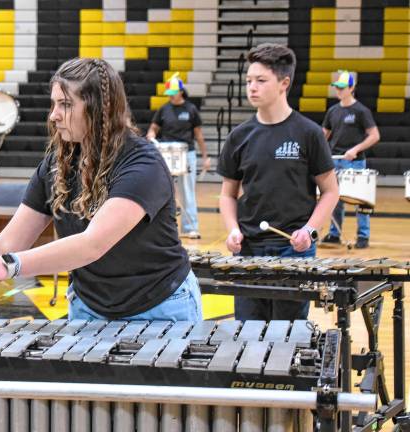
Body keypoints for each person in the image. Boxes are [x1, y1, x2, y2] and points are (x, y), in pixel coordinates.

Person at [0, 57, 202, 323]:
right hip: (90, 308)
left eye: (66, 104)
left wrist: (10, 266)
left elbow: (91, 244)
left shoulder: (141, 163)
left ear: (98, 109)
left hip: (160, 307)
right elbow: (6, 242)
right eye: (54, 104)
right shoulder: (57, 166)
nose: (53, 115)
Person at [218, 43, 339, 321]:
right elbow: (227, 195)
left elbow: (330, 191)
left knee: (289, 335)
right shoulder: (239, 136)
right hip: (249, 250)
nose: (252, 87)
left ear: (284, 83)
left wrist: (309, 230)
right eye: (249, 80)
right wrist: (233, 230)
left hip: (293, 248)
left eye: (261, 80)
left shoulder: (308, 133)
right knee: (248, 336)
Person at [146, 72, 211, 239]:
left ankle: (191, 228)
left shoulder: (190, 109)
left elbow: (199, 135)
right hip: (167, 153)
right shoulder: (163, 110)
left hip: (186, 154)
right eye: (169, 94)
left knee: (187, 191)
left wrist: (205, 157)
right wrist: (151, 135)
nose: (171, 97)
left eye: (173, 93)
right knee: (164, 191)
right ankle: (166, 229)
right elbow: (153, 128)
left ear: (181, 91)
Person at [321, 71, 380, 249]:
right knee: (334, 200)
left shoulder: (361, 111)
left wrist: (355, 149)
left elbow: (374, 135)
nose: (338, 91)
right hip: (334, 161)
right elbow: (323, 135)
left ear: (352, 88)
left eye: (342, 87)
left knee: (360, 201)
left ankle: (363, 236)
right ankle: (334, 234)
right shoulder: (333, 111)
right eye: (337, 87)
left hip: (354, 162)